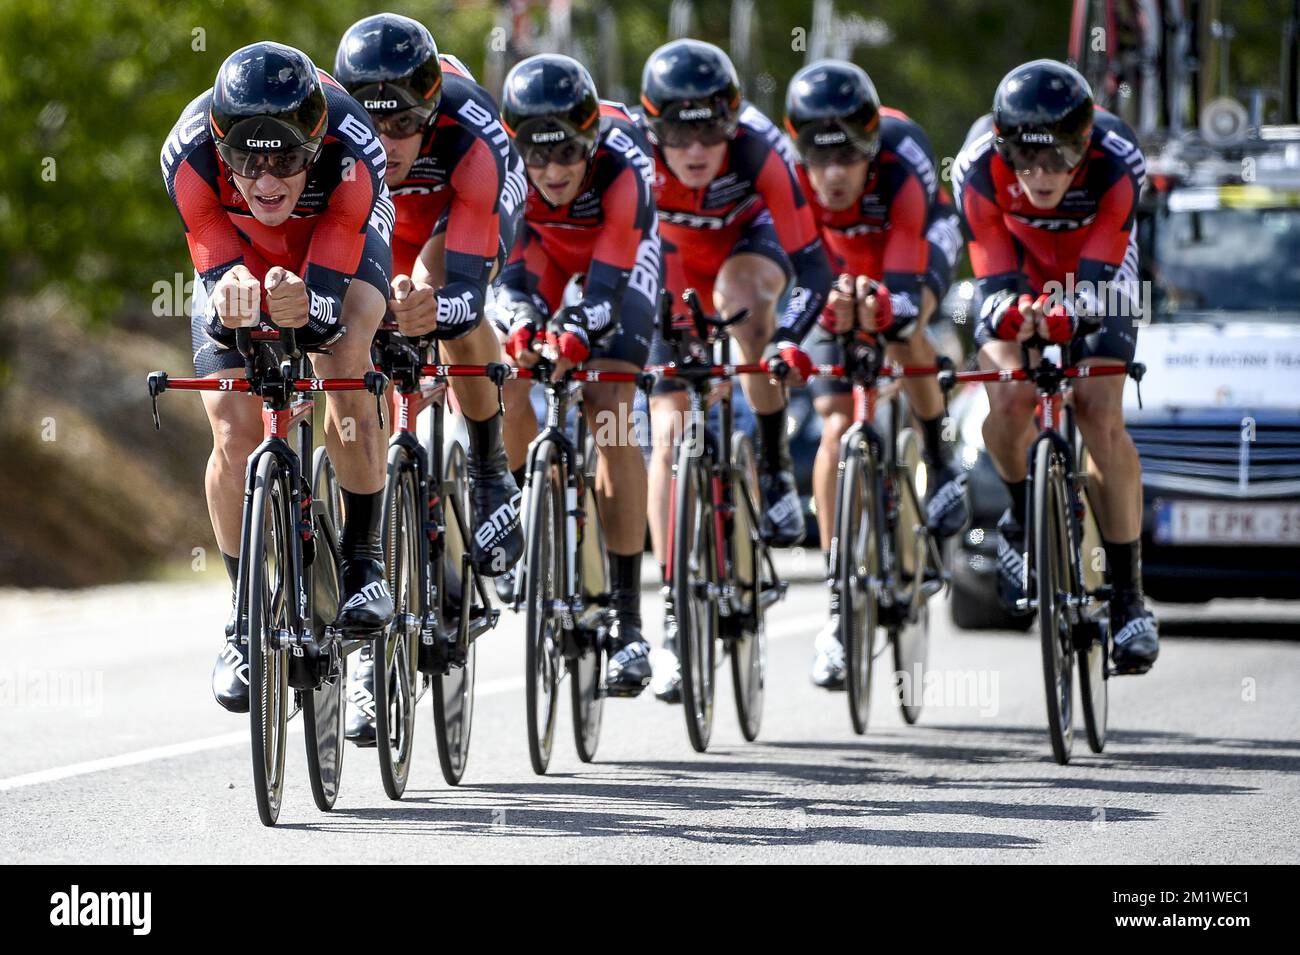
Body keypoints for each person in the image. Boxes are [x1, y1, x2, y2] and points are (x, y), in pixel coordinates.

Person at [161, 42, 395, 713]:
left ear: (315, 147)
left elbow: (322, 306)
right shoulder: (187, 152)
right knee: (233, 429)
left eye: (287, 159)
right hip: (239, 250)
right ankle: (242, 620)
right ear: (219, 145)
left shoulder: (353, 146)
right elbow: (212, 251)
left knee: (344, 352)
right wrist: (236, 287)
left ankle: (362, 559)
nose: (266, 180)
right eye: (247, 161)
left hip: (336, 239)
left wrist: (307, 308)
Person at [333, 12, 527, 742]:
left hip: (457, 224)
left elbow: (467, 293)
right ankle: (362, 638)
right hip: (380, 225)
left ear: (434, 109)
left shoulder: (474, 133)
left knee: (440, 291)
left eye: (406, 125)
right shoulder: (341, 144)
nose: (388, 144)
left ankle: (487, 465)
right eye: (373, 127)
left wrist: (430, 306)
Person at [638, 39, 833, 702]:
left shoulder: (762, 151)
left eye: (710, 133)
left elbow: (815, 267)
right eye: (676, 134)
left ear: (733, 123)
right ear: (651, 127)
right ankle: (670, 607)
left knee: (743, 300)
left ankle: (774, 466)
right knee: (668, 431)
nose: (695, 151)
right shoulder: (635, 157)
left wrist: (788, 341)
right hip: (673, 261)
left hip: (752, 249)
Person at [952, 59, 1158, 673]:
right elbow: (991, 270)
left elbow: (1101, 268)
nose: (1041, 176)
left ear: (1086, 143)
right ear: (1003, 146)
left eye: (1058, 159)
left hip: (1097, 267)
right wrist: (1014, 310)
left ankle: (1127, 598)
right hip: (1016, 263)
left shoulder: (1120, 159)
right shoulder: (975, 168)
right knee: (1009, 397)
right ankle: (1022, 511)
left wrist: (1071, 306)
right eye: (1026, 160)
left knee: (1098, 414)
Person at [784, 59, 966, 689]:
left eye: (850, 159)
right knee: (835, 422)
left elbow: (907, 269)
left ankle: (939, 462)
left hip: (906, 245)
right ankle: (838, 595)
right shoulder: (786, 173)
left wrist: (888, 307)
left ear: (872, 148)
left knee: (904, 325)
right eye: (820, 159)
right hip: (832, 266)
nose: (834, 175)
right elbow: (790, 266)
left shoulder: (904, 152)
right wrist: (819, 308)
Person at [495, 54, 661, 696]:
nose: (555, 171)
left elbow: (611, 281)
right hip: (535, 246)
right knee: (509, 373)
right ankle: (519, 511)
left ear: (592, 140)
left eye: (569, 154)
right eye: (538, 157)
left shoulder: (626, 162)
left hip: (613, 255)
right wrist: (523, 328)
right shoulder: (502, 164)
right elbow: (504, 277)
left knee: (612, 408)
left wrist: (576, 331)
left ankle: (627, 618)